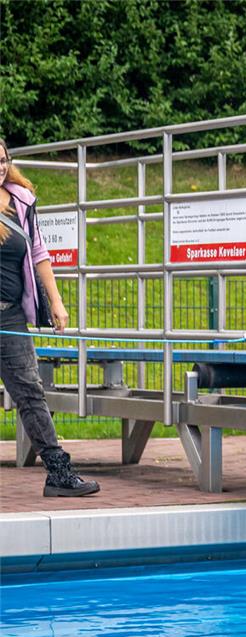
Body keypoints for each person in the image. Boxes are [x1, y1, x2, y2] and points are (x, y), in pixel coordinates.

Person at [0, 138, 100, 496]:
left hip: (9, 317)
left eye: (2, 160)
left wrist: (55, 301)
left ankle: (59, 474)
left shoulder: (22, 201)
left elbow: (39, 251)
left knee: (30, 392)